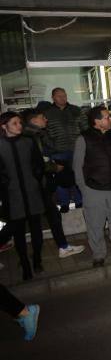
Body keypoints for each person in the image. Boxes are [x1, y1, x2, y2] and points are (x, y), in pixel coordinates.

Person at [73, 106, 111, 267]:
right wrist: (84, 189)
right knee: (95, 224)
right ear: (97, 121)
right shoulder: (83, 138)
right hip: (94, 189)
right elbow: (77, 167)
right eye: (107, 117)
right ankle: (98, 255)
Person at [21, 109, 85, 258]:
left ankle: (60, 248)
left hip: (39, 184)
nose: (46, 120)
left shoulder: (36, 136)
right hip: (36, 186)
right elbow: (35, 162)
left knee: (50, 217)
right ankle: (42, 257)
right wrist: (53, 166)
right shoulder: (30, 138)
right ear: (34, 120)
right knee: (36, 222)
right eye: (43, 117)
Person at [0, 112, 45, 280]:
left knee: (36, 231)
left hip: (32, 192)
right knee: (18, 233)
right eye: (14, 123)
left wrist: (35, 180)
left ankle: (38, 260)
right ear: (4, 126)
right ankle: (25, 264)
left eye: (19, 122)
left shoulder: (28, 142)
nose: (19, 125)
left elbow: (39, 165)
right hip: (13, 196)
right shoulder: (0, 145)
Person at [43, 88, 86, 213]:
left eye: (64, 95)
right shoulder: (47, 113)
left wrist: (82, 144)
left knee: (77, 176)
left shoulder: (76, 110)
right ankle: (64, 204)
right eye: (59, 96)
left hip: (77, 149)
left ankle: (79, 202)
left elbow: (85, 128)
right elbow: (43, 132)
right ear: (53, 98)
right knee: (61, 179)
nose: (63, 98)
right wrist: (53, 145)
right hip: (58, 151)